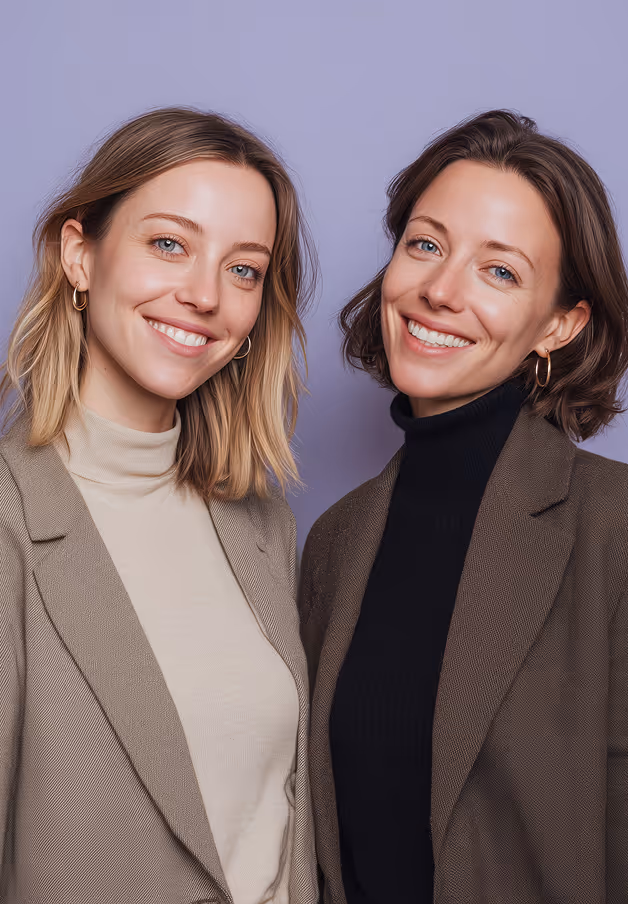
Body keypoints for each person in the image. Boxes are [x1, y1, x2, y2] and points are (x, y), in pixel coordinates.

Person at [298, 110, 628, 904]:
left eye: (500, 271)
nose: (440, 291)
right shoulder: (334, 541)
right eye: (425, 244)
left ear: (560, 324)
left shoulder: (614, 528)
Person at [0, 107, 318, 904]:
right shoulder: (9, 519)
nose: (205, 294)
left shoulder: (262, 526)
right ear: (79, 254)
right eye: (169, 244)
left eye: (243, 269)